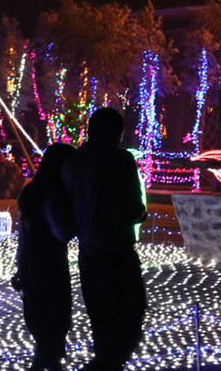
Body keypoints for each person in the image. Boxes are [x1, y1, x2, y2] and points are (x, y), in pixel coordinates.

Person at [62, 108, 147, 370]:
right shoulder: (121, 160)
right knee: (129, 317)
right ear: (115, 133)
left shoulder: (74, 162)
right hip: (118, 252)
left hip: (88, 253)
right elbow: (134, 210)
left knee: (101, 322)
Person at [13, 142, 77, 371]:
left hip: (31, 263)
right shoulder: (54, 194)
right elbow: (62, 231)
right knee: (53, 327)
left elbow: (23, 234)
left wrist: (19, 266)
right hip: (49, 266)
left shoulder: (32, 191)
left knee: (44, 327)